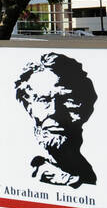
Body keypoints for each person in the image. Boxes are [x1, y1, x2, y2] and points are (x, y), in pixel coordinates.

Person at [13, 52, 98, 188]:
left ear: (85, 106)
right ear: (28, 105)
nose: (54, 110)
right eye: (43, 100)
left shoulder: (87, 168)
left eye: (67, 99)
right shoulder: (15, 159)